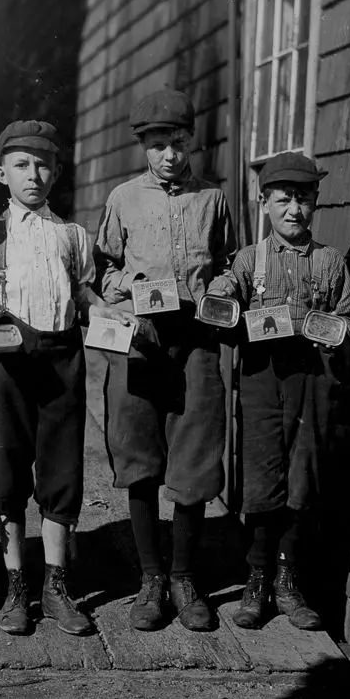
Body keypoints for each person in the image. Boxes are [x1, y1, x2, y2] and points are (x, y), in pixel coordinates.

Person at [0, 120, 136, 637]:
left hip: (63, 358)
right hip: (9, 360)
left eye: (42, 165)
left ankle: (57, 586)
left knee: (61, 470)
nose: (32, 175)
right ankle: (16, 586)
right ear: (2, 173)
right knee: (10, 467)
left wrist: (108, 312)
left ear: (56, 171)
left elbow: (82, 293)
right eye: (21, 165)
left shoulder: (73, 235)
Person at [94, 89, 237, 632]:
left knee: (195, 456)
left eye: (177, 143)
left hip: (196, 340)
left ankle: (184, 576)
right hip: (141, 338)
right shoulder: (124, 199)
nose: (169, 155)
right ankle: (150, 578)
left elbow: (227, 264)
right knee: (137, 455)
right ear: (143, 148)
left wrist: (220, 288)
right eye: (157, 145)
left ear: (190, 142)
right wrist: (127, 287)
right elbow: (102, 269)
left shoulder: (213, 200)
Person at [207, 150, 350, 631]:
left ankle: (289, 582)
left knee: (302, 475)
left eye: (304, 198)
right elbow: (223, 295)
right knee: (262, 475)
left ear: (316, 202)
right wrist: (222, 300)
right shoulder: (250, 261)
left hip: (311, 382)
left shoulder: (331, 262)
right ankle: (256, 580)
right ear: (264, 203)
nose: (294, 209)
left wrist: (332, 328)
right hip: (260, 381)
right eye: (283, 199)